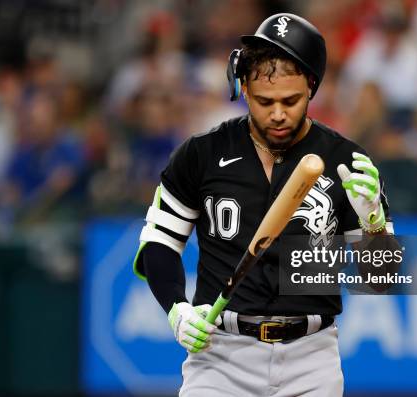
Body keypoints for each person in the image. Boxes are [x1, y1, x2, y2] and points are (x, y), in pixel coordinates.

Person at [133, 13, 395, 396]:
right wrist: (177, 309)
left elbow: (382, 281)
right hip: (220, 357)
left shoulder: (347, 162)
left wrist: (372, 220)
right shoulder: (201, 154)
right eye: (263, 100)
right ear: (242, 88)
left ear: (312, 86)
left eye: (290, 100)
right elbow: (160, 243)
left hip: (312, 358)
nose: (277, 113)